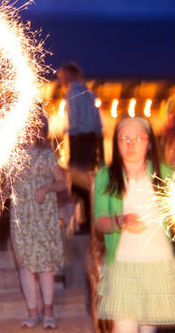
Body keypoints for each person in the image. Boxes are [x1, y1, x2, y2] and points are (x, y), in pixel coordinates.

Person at [93, 116, 175, 333]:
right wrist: (119, 221)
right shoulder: (106, 176)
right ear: (116, 143)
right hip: (122, 265)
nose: (131, 143)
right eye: (124, 138)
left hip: (160, 264)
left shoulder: (166, 173)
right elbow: (100, 221)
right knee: (125, 331)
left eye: (138, 138)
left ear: (149, 142)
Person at [8, 110, 67, 329]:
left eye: (33, 125)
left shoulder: (47, 155)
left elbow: (63, 183)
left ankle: (48, 311)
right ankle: (32, 312)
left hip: (44, 215)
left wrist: (48, 186)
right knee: (25, 263)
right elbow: (5, 187)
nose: (28, 129)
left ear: (39, 129)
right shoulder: (11, 157)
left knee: (45, 263)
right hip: (22, 215)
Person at [57, 62, 103, 231]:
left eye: (62, 75)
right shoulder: (90, 93)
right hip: (90, 141)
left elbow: (74, 121)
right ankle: (87, 219)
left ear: (69, 74)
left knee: (77, 180)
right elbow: (98, 123)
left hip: (79, 140)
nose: (60, 78)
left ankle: (79, 221)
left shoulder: (73, 93)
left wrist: (68, 133)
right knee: (88, 179)